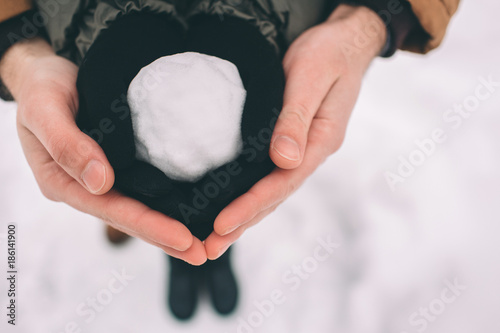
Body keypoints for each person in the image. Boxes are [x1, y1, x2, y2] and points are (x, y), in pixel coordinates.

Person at [0, 0, 459, 281]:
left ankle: (208, 257)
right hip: (95, 75)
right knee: (112, 172)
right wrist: (17, 49)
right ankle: (147, 237)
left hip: (271, 47)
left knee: (227, 202)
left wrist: (371, 20)